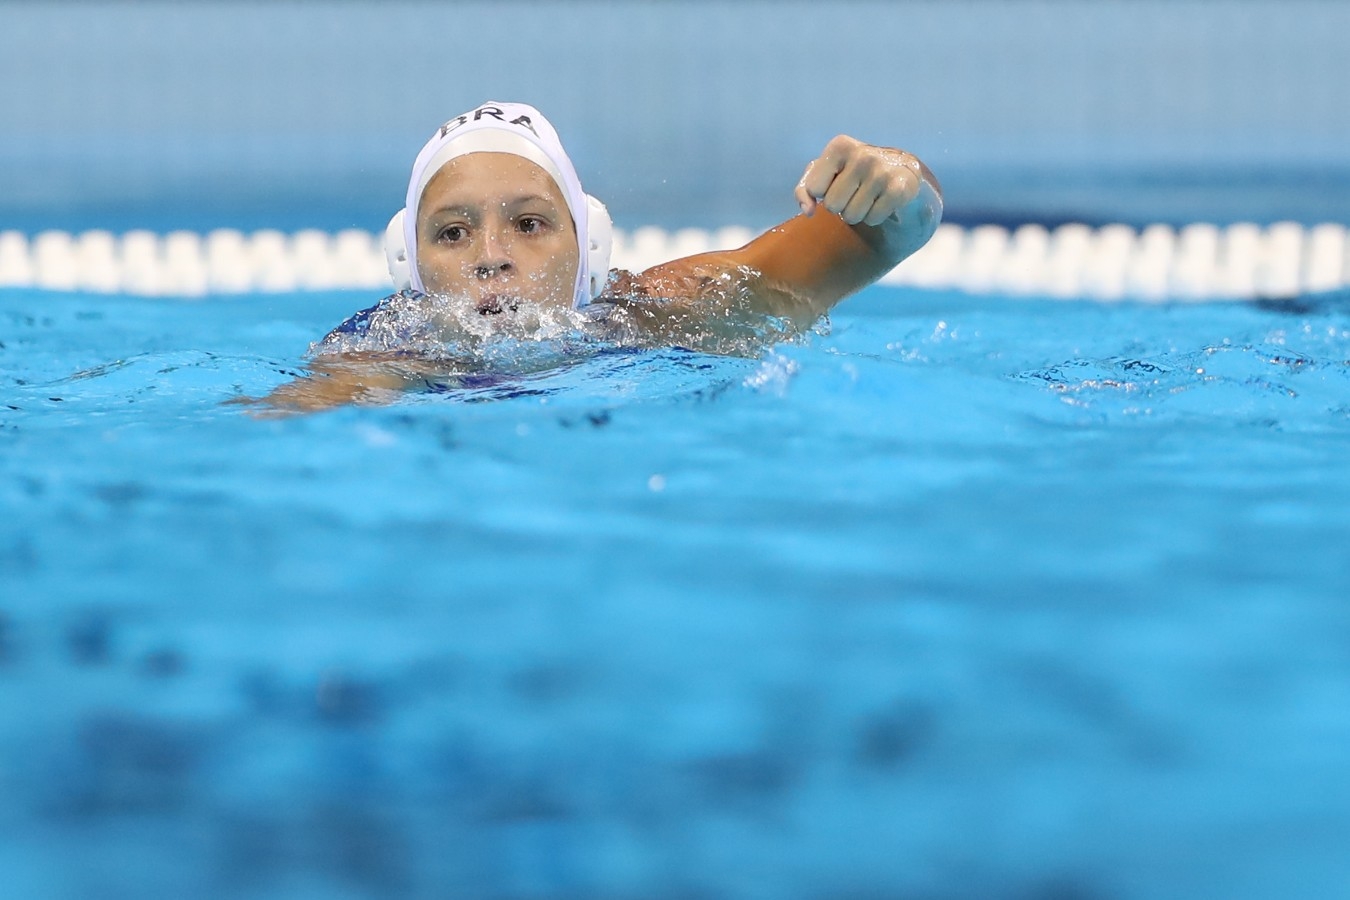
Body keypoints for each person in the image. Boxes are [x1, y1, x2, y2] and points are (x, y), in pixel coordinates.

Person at [254, 101, 943, 413]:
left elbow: (895, 232)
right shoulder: (379, 355)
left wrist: (898, 180)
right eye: (454, 234)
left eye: (529, 224)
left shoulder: (666, 313)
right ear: (409, 268)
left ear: (590, 253)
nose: (492, 258)